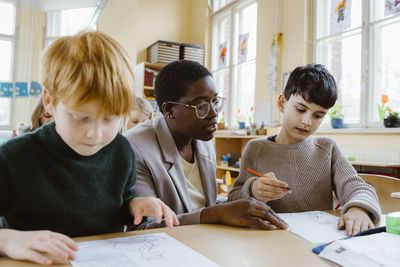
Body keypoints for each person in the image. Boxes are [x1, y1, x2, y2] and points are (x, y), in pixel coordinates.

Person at [0, 31, 178, 265]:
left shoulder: (121, 150)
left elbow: (120, 204)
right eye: (81, 118)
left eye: (110, 119)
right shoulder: (14, 158)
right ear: (49, 101)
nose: (96, 133)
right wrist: (7, 240)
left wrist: (135, 205)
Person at [124, 60, 288, 230]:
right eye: (201, 106)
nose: (214, 113)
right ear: (169, 110)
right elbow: (142, 228)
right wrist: (214, 214)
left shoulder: (203, 140)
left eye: (215, 101)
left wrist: (253, 193)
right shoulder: (134, 148)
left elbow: (202, 202)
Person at [228, 64, 381, 236]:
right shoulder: (256, 149)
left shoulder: (327, 148)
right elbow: (233, 198)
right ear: (282, 103)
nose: (307, 121)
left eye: (318, 116)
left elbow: (360, 188)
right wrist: (253, 190)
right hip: (271, 241)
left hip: (318, 240)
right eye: (300, 109)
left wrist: (358, 209)